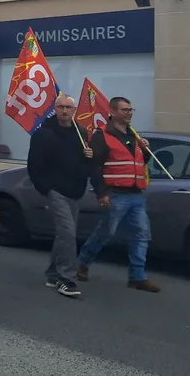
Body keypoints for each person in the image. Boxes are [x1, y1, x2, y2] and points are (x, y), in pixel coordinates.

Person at [76, 96, 159, 292]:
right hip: (115, 194)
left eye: (131, 110)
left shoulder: (134, 136)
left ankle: (138, 277)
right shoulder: (102, 136)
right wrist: (101, 193)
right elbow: (95, 167)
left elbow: (138, 163)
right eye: (125, 110)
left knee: (141, 234)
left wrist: (145, 151)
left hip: (136, 194)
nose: (129, 113)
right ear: (112, 112)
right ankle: (83, 263)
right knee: (106, 233)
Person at [27, 94, 92, 297]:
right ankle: (66, 279)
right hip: (56, 191)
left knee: (64, 235)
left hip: (75, 190)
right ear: (54, 109)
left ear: (74, 110)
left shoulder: (80, 133)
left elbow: (84, 165)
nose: (65, 111)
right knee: (68, 233)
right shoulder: (44, 134)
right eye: (61, 107)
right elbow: (34, 165)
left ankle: (53, 273)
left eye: (69, 107)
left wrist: (89, 157)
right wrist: (46, 188)